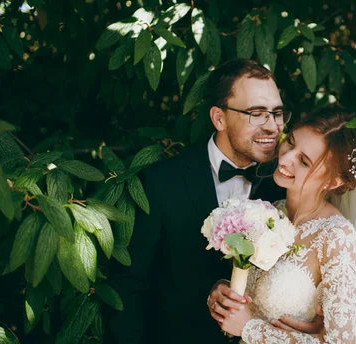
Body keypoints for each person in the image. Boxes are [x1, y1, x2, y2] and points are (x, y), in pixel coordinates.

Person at [107, 59, 291, 343]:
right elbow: (130, 285)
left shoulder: (284, 187)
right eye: (256, 113)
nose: (273, 126)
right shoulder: (161, 182)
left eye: (277, 113)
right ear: (219, 118)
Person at [212, 106, 356, 343]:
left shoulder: (335, 236)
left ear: (334, 180)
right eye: (290, 142)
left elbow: (341, 341)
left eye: (304, 161)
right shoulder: (268, 211)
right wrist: (222, 291)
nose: (286, 157)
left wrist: (249, 328)